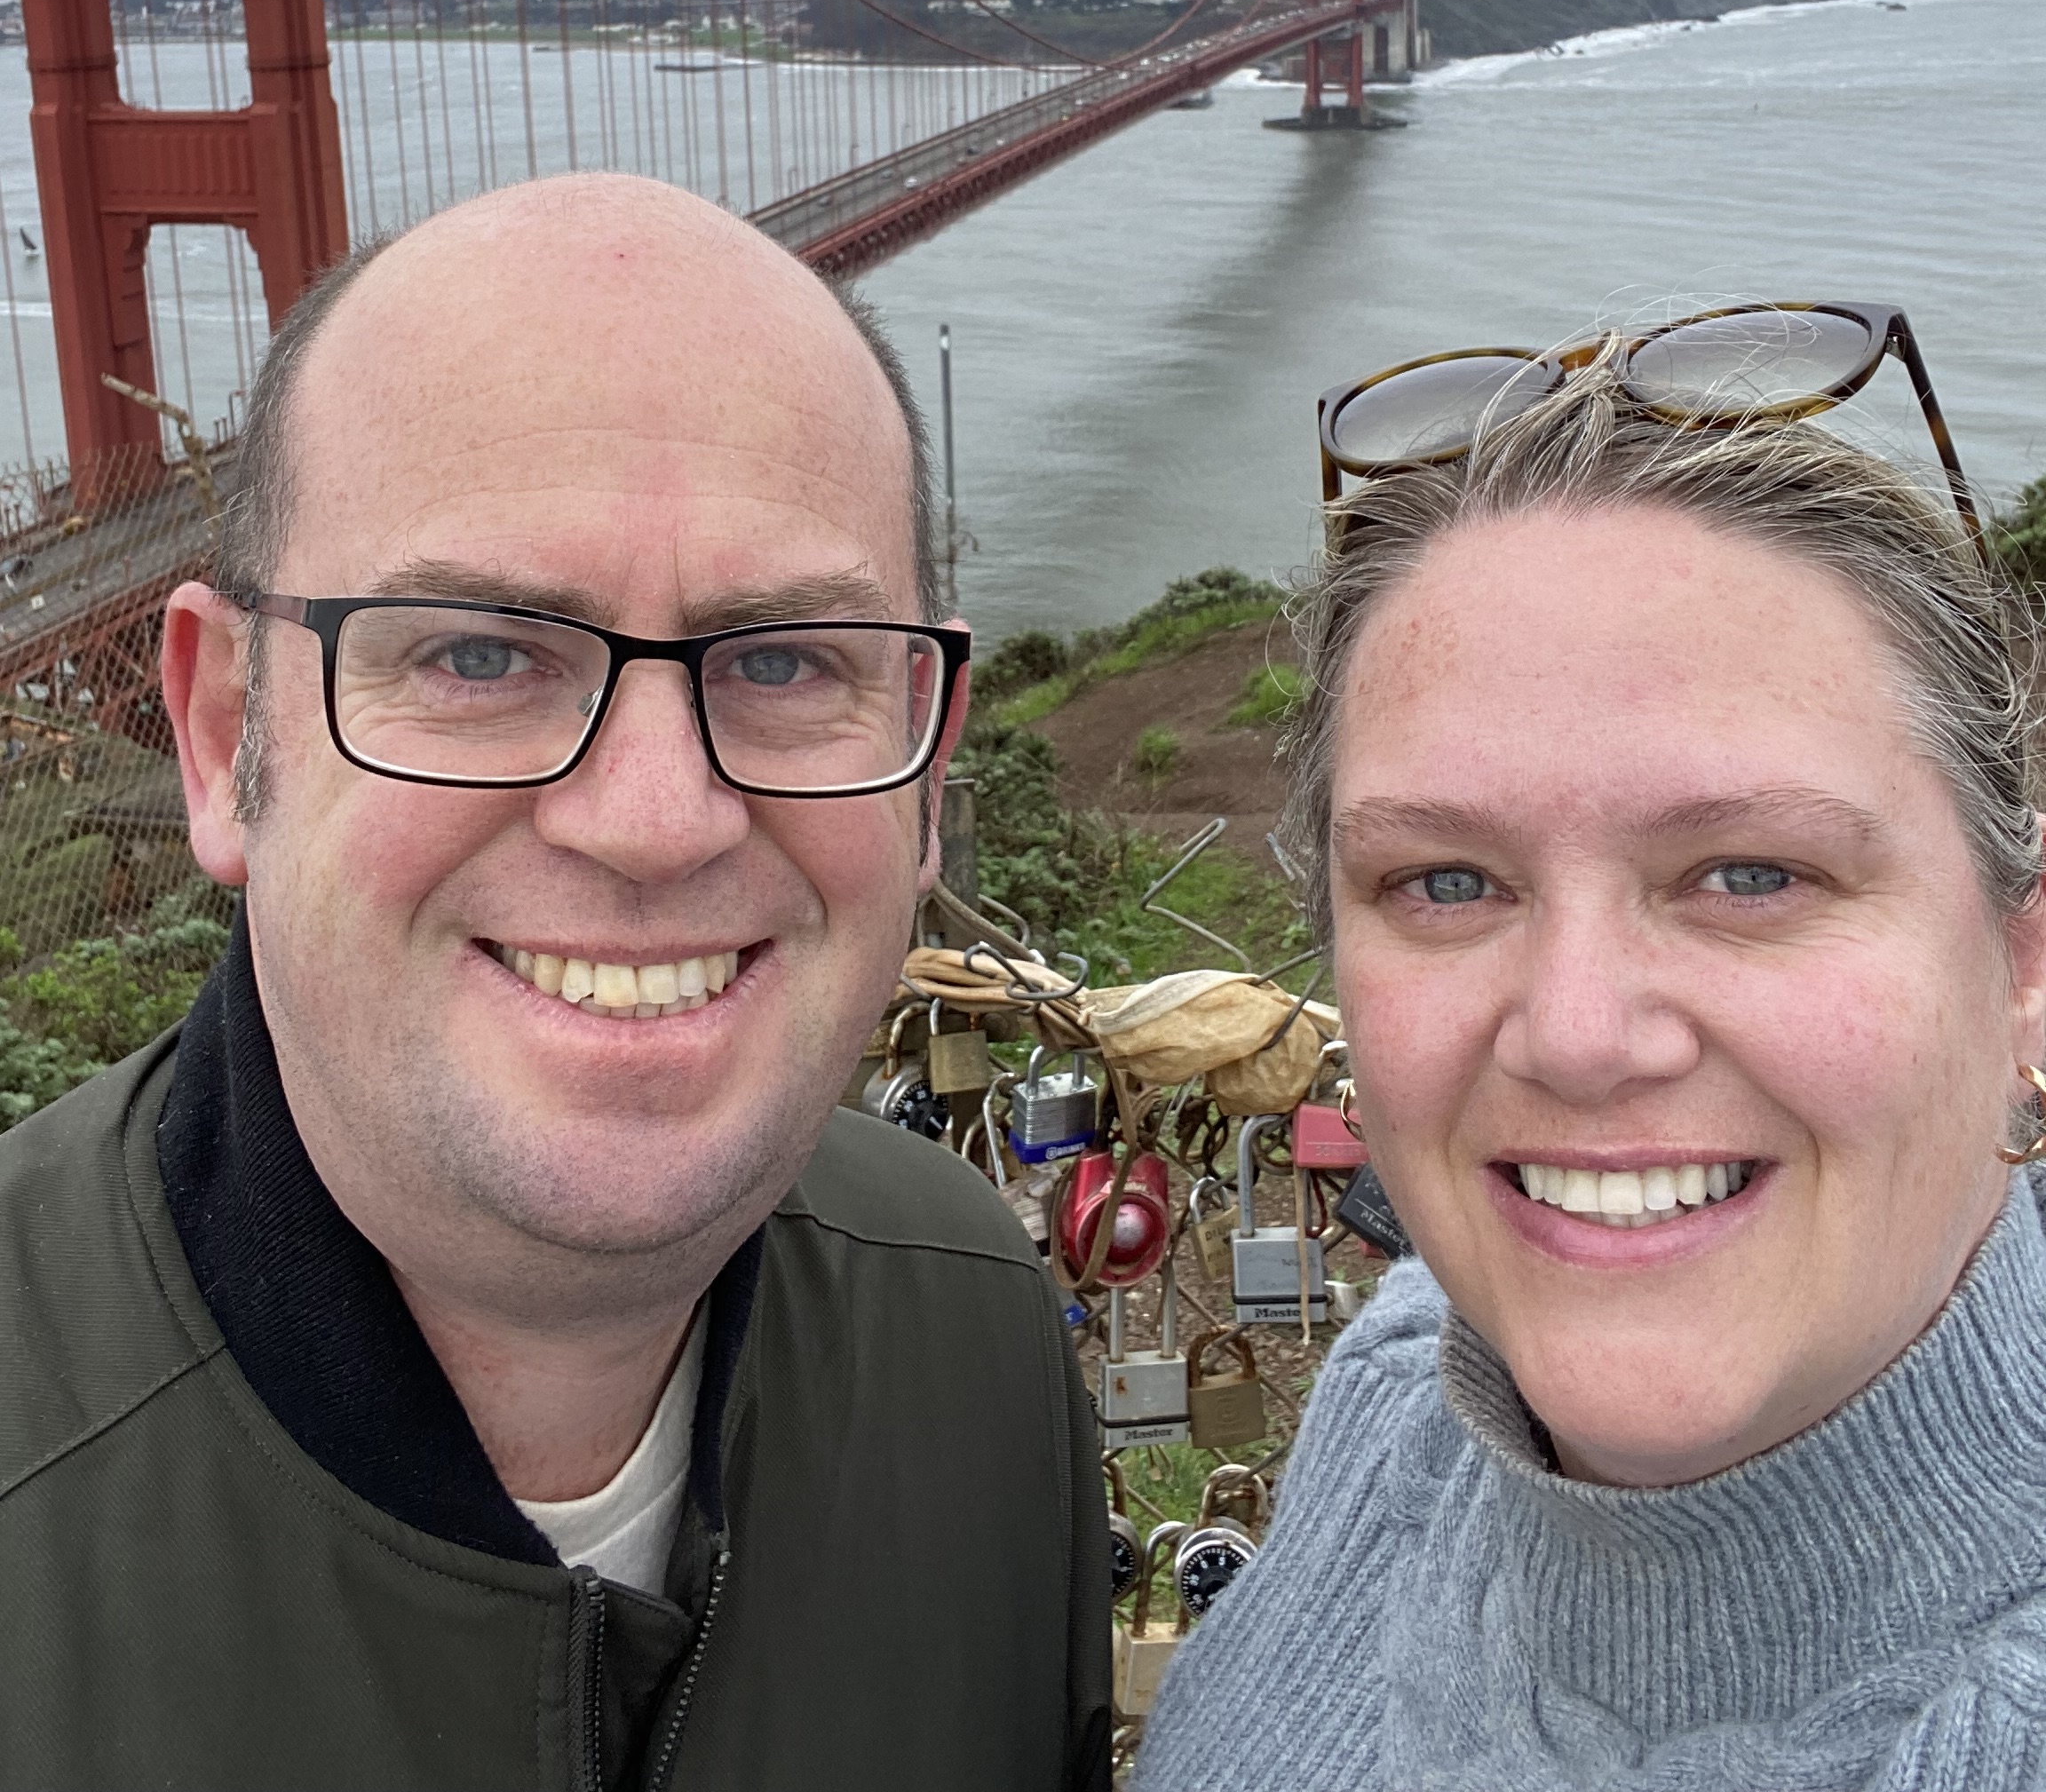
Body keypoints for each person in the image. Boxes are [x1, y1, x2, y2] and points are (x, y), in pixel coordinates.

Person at [0, 174, 1110, 1792]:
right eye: (475, 653)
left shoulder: (979, 1326)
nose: (658, 820)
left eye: (789, 660)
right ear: (226, 733)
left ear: (930, 773)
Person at [1137, 308, 2046, 1792]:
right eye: (1446, 883)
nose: (1576, 1035)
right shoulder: (1397, 1402)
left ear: (2021, 962)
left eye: (1751, 874)